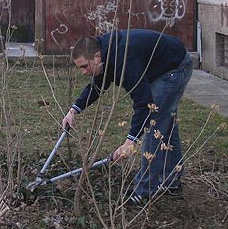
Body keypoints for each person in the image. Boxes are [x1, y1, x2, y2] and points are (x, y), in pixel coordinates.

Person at [62, 29, 193, 206]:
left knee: (154, 125)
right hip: (163, 66)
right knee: (165, 124)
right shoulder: (107, 56)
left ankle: (145, 190)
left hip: (174, 68)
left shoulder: (123, 60)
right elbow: (98, 86)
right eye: (80, 68)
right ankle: (172, 182)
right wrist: (73, 110)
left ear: (97, 56)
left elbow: (144, 103)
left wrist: (130, 141)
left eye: (84, 66)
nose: (83, 72)